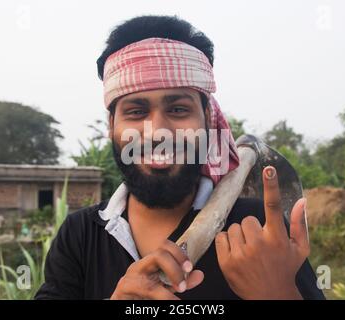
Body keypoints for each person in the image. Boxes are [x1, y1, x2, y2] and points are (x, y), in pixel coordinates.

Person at [35, 15, 325, 300]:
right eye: (136, 111)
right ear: (111, 126)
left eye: (178, 110)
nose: (158, 132)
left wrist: (279, 294)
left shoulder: (259, 228)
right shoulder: (79, 235)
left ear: (209, 119)